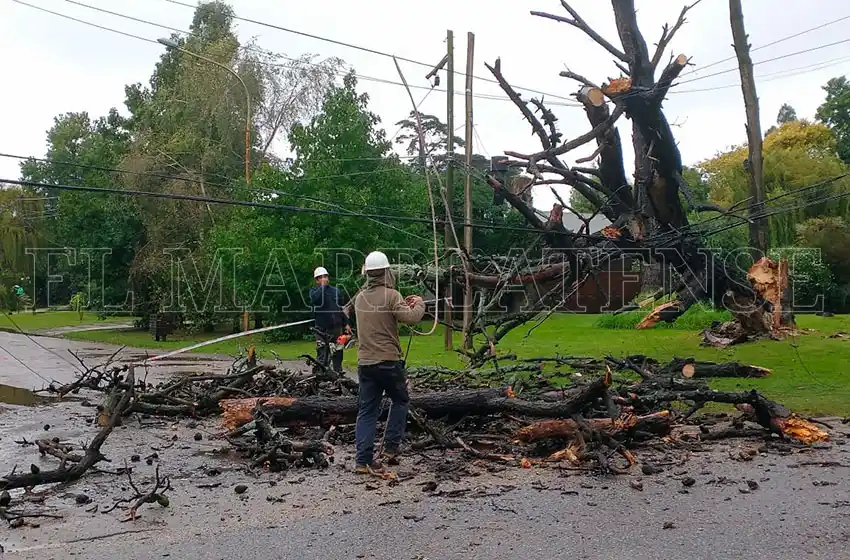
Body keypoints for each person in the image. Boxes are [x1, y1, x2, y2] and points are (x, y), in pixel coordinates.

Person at [349, 251, 425, 474]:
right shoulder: (392, 295)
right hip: (388, 362)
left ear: (368, 274)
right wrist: (418, 303)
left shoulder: (360, 298)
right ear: (386, 272)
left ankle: (362, 462)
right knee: (401, 400)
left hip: (365, 363)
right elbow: (411, 317)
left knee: (367, 411)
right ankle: (391, 448)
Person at [309, 266, 349, 373]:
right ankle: (321, 376)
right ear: (317, 280)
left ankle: (338, 374)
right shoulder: (314, 292)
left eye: (325, 276)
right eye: (321, 277)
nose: (324, 279)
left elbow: (341, 308)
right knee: (322, 354)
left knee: (338, 354)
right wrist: (322, 287)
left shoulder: (336, 291)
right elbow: (315, 300)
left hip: (336, 329)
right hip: (321, 329)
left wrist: (346, 323)